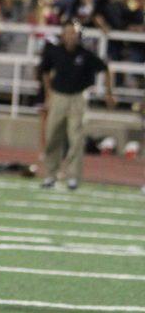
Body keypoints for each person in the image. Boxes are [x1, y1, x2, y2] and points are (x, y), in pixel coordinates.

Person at [38, 21, 115, 190]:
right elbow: (44, 70)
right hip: (58, 97)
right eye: (68, 33)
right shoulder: (54, 52)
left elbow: (106, 68)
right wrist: (48, 93)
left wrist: (109, 93)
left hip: (78, 98)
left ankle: (73, 177)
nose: (71, 36)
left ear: (79, 36)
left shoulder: (86, 54)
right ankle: (51, 175)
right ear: (63, 35)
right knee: (52, 137)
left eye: (74, 33)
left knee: (76, 138)